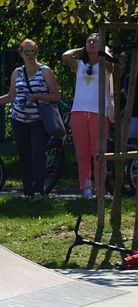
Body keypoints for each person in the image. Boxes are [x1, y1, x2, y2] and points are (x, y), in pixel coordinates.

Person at [0, 38, 61, 200]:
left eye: (32, 51)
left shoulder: (45, 71)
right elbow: (11, 96)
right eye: (26, 51)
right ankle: (27, 192)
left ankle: (38, 190)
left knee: (38, 153)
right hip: (19, 120)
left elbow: (56, 96)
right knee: (25, 155)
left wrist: (37, 96)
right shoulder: (17, 72)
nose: (29, 54)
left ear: (36, 52)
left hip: (38, 120)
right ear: (21, 53)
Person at [62, 33, 114, 198]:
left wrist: (104, 50)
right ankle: (85, 188)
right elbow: (65, 56)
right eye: (89, 41)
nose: (91, 42)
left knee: (99, 154)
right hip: (78, 111)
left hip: (99, 113)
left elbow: (112, 64)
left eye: (95, 41)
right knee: (82, 153)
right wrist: (81, 49)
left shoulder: (105, 65)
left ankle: (100, 189)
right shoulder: (79, 65)